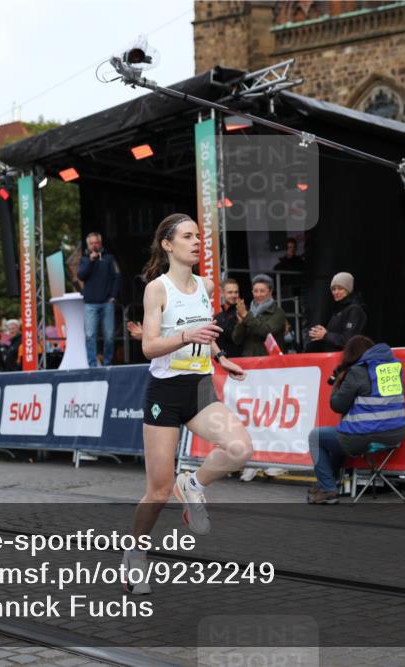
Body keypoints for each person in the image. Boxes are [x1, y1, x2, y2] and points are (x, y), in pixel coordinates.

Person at [123, 213, 253, 595]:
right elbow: (149, 347)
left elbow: (206, 329)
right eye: (187, 236)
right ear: (168, 245)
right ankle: (135, 555)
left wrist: (219, 355)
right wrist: (184, 335)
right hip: (164, 393)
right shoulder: (157, 289)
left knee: (240, 448)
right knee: (157, 492)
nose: (197, 241)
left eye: (198, 235)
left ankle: (193, 483)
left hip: (198, 387)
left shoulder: (205, 285)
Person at [307, 335, 405, 504]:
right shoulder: (393, 368)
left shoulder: (357, 371)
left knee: (316, 437)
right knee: (337, 438)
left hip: (365, 435)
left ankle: (328, 489)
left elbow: (337, 405)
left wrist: (338, 382)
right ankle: (328, 483)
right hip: (395, 435)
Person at [77, 232, 123, 367]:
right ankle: (92, 365)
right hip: (90, 304)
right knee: (90, 336)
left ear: (100, 243)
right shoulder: (84, 260)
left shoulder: (109, 259)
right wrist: (91, 261)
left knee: (109, 336)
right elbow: (81, 275)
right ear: (88, 246)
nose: (94, 245)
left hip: (106, 303)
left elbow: (117, 276)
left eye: (96, 242)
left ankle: (107, 363)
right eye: (91, 243)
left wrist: (113, 296)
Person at [307, 272, 367, 352]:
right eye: (333, 289)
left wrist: (325, 335)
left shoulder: (354, 310)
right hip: (336, 359)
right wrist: (321, 335)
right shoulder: (339, 309)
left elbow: (349, 341)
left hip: (349, 361)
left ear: (348, 289)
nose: (336, 292)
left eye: (340, 288)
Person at [231, 274, 287, 357]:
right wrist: (241, 323)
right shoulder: (248, 312)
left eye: (262, 291)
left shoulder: (278, 312)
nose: (258, 294)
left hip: (270, 363)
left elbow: (266, 331)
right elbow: (236, 340)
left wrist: (246, 316)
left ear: (270, 292)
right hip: (249, 362)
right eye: (255, 291)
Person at [213, 278, 243, 359]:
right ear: (222, 293)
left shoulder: (243, 312)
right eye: (230, 292)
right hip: (220, 363)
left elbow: (236, 338)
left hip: (239, 362)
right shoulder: (218, 317)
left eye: (236, 292)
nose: (234, 295)